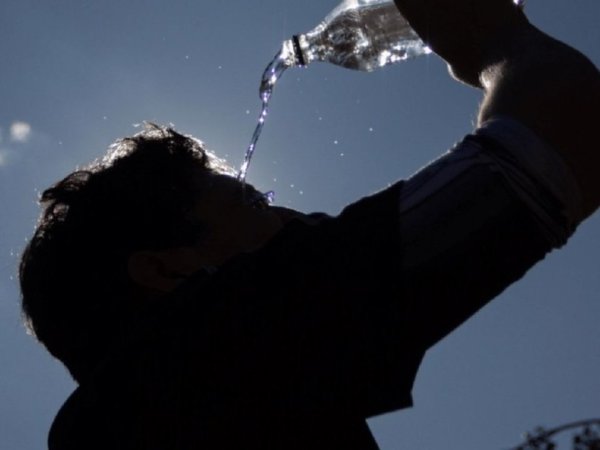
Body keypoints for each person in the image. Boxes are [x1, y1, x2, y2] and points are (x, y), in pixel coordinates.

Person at [19, 0, 599, 449]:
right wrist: (491, 39)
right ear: (166, 269)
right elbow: (567, 126)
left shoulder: (141, 412)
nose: (299, 218)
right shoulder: (220, 350)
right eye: (253, 205)